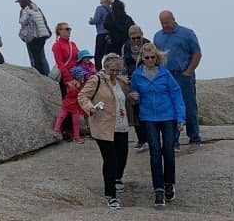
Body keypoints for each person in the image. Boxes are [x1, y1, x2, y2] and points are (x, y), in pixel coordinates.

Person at [130, 42, 186, 207]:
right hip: (148, 117)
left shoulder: (165, 74)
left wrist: (181, 118)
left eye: (152, 57)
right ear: (142, 58)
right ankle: (158, 189)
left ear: (157, 58)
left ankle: (169, 184)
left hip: (167, 115)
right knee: (154, 151)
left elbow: (176, 95)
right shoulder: (137, 75)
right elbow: (135, 94)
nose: (149, 60)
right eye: (146, 57)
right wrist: (135, 97)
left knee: (168, 149)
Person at [79, 53, 136, 209]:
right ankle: (111, 195)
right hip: (104, 126)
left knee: (122, 157)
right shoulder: (96, 80)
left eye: (118, 70)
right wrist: (90, 108)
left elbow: (125, 100)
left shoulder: (121, 82)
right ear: (105, 68)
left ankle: (117, 179)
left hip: (121, 125)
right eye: (112, 70)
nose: (116, 73)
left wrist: (132, 97)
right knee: (110, 160)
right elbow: (83, 96)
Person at [153, 10, 202, 150]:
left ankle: (194, 137)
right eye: (162, 23)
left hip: (183, 75)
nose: (165, 25)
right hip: (166, 76)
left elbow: (197, 53)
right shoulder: (158, 37)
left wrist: (189, 71)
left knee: (189, 107)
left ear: (174, 19)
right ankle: (173, 141)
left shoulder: (187, 34)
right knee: (169, 108)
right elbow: (156, 57)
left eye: (167, 22)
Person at [120, 24, 151, 150]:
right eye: (133, 38)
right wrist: (123, 78)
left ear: (142, 35)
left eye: (138, 37)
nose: (136, 40)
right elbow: (123, 64)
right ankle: (141, 139)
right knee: (136, 110)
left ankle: (151, 137)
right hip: (132, 81)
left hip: (147, 80)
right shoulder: (125, 47)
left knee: (147, 109)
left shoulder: (148, 45)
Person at [51, 22, 80, 138]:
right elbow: (60, 63)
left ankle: (75, 130)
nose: (69, 31)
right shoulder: (57, 45)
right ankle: (67, 129)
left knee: (76, 103)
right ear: (59, 31)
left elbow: (79, 59)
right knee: (68, 104)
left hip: (76, 77)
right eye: (66, 29)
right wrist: (68, 79)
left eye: (69, 29)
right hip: (66, 78)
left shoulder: (73, 44)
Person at [16, 0, 52, 76]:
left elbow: (22, 22)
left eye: (20, 3)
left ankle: (37, 74)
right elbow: (44, 20)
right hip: (43, 35)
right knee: (42, 55)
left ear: (22, 2)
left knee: (33, 55)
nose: (19, 5)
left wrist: (22, 35)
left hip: (33, 36)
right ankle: (47, 73)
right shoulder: (37, 8)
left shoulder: (25, 10)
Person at [53, 65, 87, 143]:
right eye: (82, 76)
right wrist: (76, 88)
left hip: (74, 106)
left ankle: (77, 136)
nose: (83, 78)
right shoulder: (71, 84)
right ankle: (56, 130)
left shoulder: (81, 84)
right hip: (67, 104)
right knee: (61, 117)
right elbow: (70, 93)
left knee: (76, 122)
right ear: (77, 77)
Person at [88, 0, 114, 67]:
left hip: (101, 34)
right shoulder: (111, 10)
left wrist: (91, 21)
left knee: (98, 56)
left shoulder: (100, 8)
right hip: (110, 36)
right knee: (108, 56)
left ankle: (99, 72)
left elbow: (96, 20)